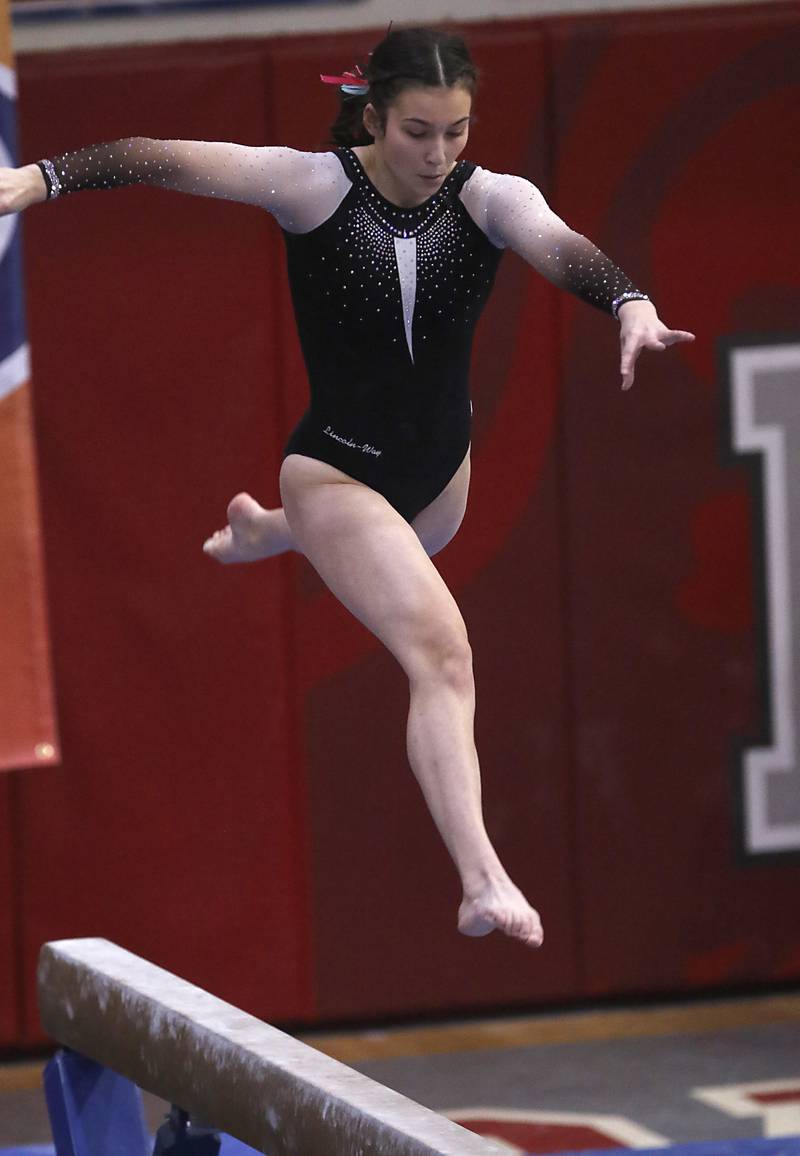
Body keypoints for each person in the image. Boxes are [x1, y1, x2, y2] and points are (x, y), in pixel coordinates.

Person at [0, 26, 693, 949]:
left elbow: (559, 246)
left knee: (396, 560)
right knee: (443, 657)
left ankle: (270, 533)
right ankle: (482, 879)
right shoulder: (312, 185)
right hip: (337, 468)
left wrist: (631, 303)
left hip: (440, 486)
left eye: (455, 132)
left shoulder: (488, 198)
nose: (438, 155)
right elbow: (158, 158)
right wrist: (37, 179)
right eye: (417, 132)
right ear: (373, 115)